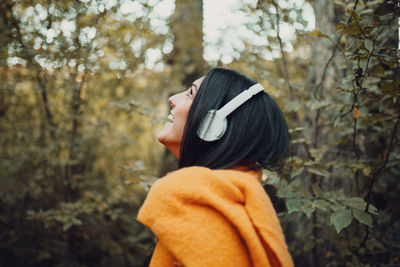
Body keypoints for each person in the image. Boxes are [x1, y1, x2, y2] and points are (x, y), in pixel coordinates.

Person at [138, 68, 293, 267]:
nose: (172, 98)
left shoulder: (206, 209)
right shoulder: (227, 198)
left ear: (213, 124)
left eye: (190, 93)